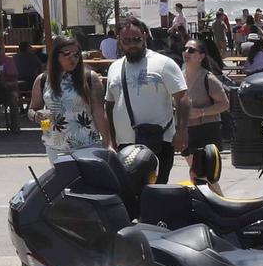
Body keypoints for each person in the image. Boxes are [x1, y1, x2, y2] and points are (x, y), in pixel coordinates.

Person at [103, 17, 189, 181]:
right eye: (126, 41)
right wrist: (110, 140)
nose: (132, 44)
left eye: (136, 39)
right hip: (124, 145)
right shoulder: (114, 67)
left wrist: (182, 130)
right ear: (119, 41)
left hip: (158, 142)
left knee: (156, 195)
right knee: (128, 196)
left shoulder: (164, 63)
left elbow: (182, 97)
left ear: (144, 36)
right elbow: (109, 105)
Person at [30, 34, 109, 160]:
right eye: (67, 54)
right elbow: (32, 109)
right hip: (55, 147)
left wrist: (107, 142)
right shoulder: (43, 80)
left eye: (77, 54)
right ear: (55, 55)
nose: (73, 58)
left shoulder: (90, 78)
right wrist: (35, 115)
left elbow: (99, 111)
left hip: (87, 145)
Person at [181, 33, 232, 154]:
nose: (186, 52)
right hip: (186, 130)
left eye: (192, 50)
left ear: (201, 56)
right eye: (184, 49)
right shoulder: (179, 77)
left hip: (207, 130)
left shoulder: (208, 78)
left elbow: (225, 104)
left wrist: (201, 112)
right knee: (193, 171)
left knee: (206, 170)